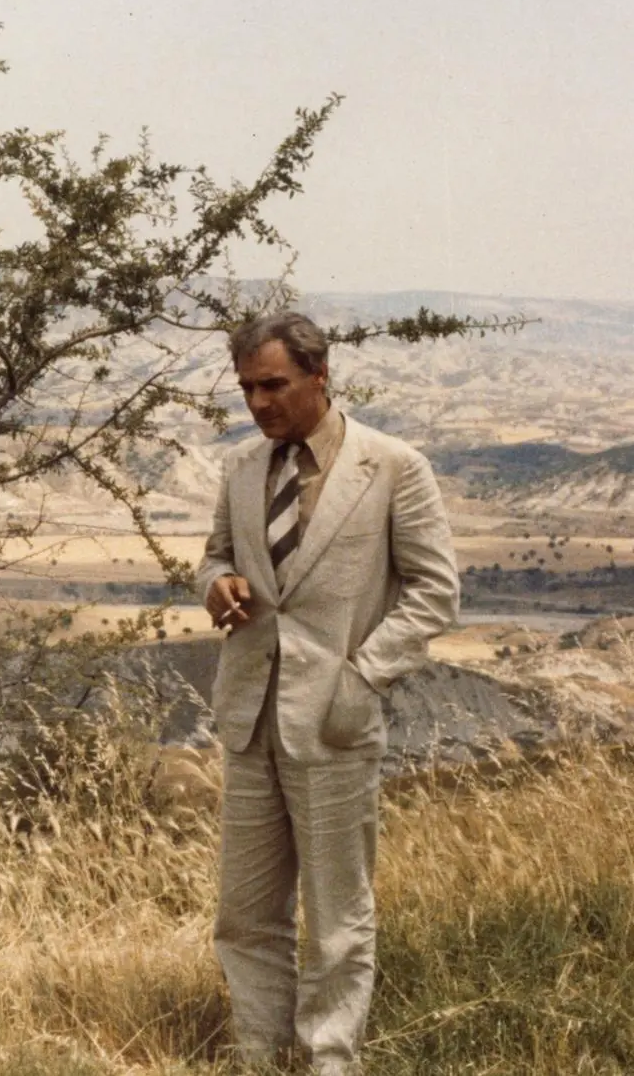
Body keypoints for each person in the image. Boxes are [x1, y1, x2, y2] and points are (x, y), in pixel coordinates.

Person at [197, 310, 459, 1073]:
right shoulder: (242, 469)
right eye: (246, 387)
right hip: (249, 716)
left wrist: (362, 676)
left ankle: (329, 1058)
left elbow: (434, 591)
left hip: (337, 722)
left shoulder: (392, 466)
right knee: (245, 913)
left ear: (320, 375)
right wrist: (216, 586)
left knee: (338, 917)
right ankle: (258, 1051)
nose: (257, 403)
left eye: (273, 384)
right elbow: (215, 553)